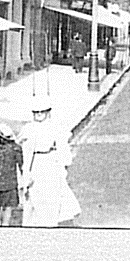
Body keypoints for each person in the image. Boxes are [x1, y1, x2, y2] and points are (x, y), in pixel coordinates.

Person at [18, 96, 81, 227]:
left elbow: (62, 148)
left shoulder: (54, 127)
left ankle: (51, 224)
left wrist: (63, 165)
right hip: (36, 165)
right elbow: (26, 153)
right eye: (36, 112)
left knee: (53, 196)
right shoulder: (29, 128)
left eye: (42, 112)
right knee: (35, 197)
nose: (39, 115)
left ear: (48, 112)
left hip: (51, 163)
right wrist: (26, 173)